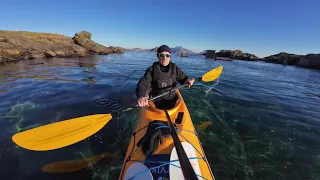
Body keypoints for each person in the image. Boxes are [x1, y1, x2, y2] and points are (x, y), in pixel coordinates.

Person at [136, 45, 195, 109]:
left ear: (170, 57)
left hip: (172, 99)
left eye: (167, 55)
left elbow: (183, 78)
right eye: (162, 55)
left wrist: (187, 81)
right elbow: (143, 83)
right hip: (155, 101)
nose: (165, 58)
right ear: (158, 56)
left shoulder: (175, 68)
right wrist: (141, 96)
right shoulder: (151, 70)